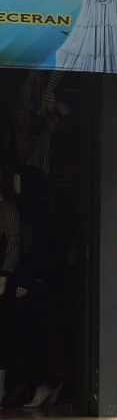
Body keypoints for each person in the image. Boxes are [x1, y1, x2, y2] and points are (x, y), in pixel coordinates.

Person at [0, 169, 21, 406]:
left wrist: (5, 273)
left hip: (3, 277)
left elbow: (14, 243)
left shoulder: (8, 211)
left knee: (3, 333)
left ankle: (2, 387)